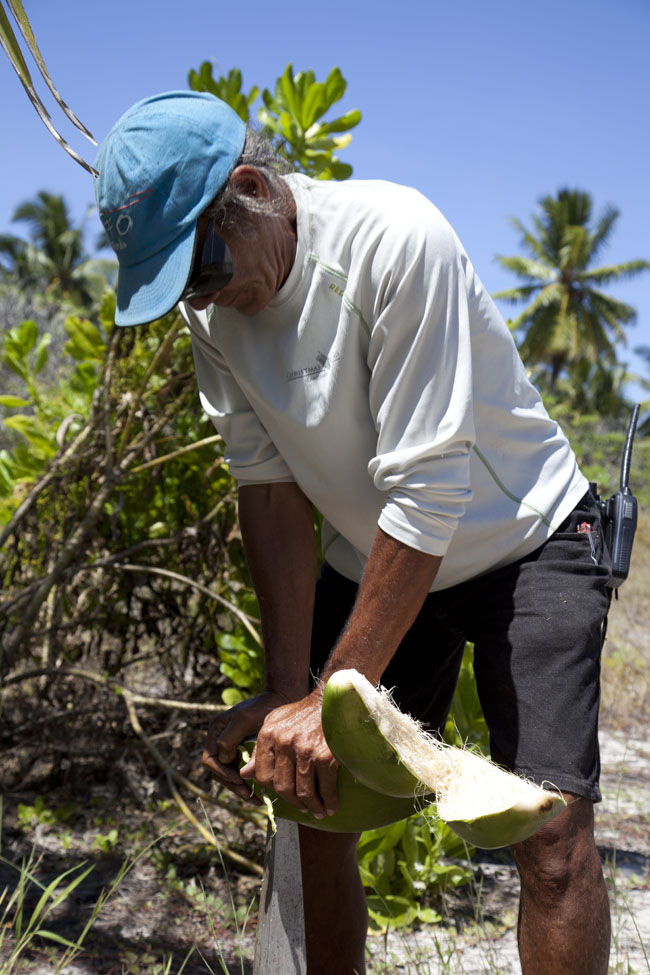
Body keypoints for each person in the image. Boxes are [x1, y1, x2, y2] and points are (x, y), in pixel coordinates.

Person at [95, 90, 613, 975]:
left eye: (204, 270)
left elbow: (429, 490)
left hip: (525, 540)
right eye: (180, 285)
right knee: (311, 800)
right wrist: (288, 696)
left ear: (251, 191)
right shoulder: (210, 308)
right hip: (375, 550)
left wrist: (336, 690)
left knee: (550, 832)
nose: (202, 298)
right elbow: (269, 490)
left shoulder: (396, 241)